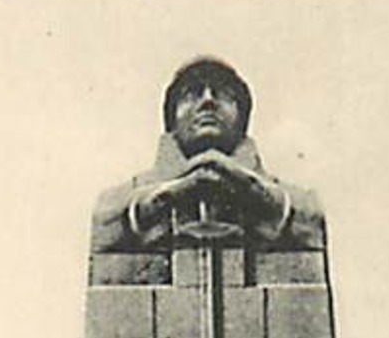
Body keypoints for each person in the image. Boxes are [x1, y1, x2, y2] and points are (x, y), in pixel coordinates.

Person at [91, 57, 324, 252]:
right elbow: (105, 228)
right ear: (171, 119)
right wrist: (172, 192)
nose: (208, 101)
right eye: (191, 94)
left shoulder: (290, 198)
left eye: (223, 94)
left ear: (243, 119)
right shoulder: (123, 198)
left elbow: (310, 225)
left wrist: (250, 188)